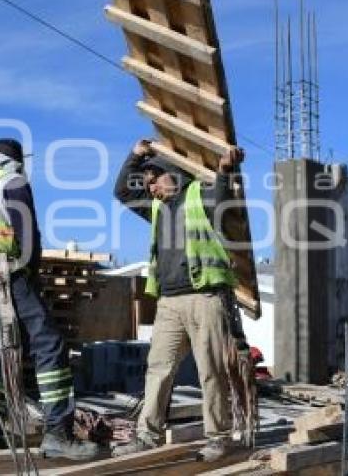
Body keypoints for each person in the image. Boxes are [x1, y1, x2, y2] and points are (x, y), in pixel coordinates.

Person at [112, 138, 246, 462]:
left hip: (206, 297)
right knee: (158, 368)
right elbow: (122, 192)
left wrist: (226, 169)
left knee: (211, 371)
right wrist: (135, 156)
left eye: (153, 180)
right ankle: (148, 435)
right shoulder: (156, 207)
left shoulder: (201, 195)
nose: (150, 188)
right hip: (169, 302)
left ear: (170, 174)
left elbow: (225, 197)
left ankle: (218, 437)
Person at [0, 138, 98, 460]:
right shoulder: (14, 181)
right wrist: (31, 274)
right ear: (17, 159)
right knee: (50, 345)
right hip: (9, 274)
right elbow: (27, 238)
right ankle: (57, 433)